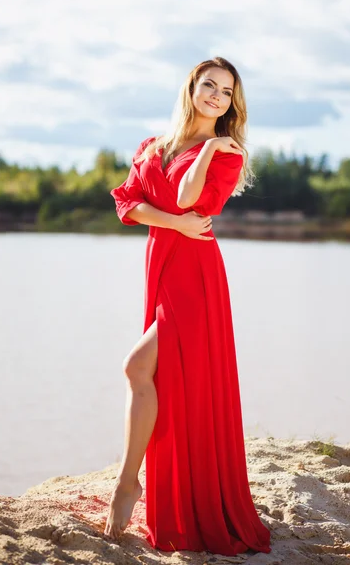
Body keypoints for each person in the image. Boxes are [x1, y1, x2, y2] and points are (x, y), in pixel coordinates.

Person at [104, 56, 271, 556]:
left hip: (196, 277)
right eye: (209, 85)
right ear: (192, 87)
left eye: (226, 92)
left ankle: (127, 483)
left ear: (231, 105)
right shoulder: (153, 146)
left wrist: (207, 151)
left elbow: (186, 196)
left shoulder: (227, 155)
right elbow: (126, 203)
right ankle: (138, 481)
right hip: (166, 263)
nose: (215, 96)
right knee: (155, 377)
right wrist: (173, 223)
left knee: (137, 366)